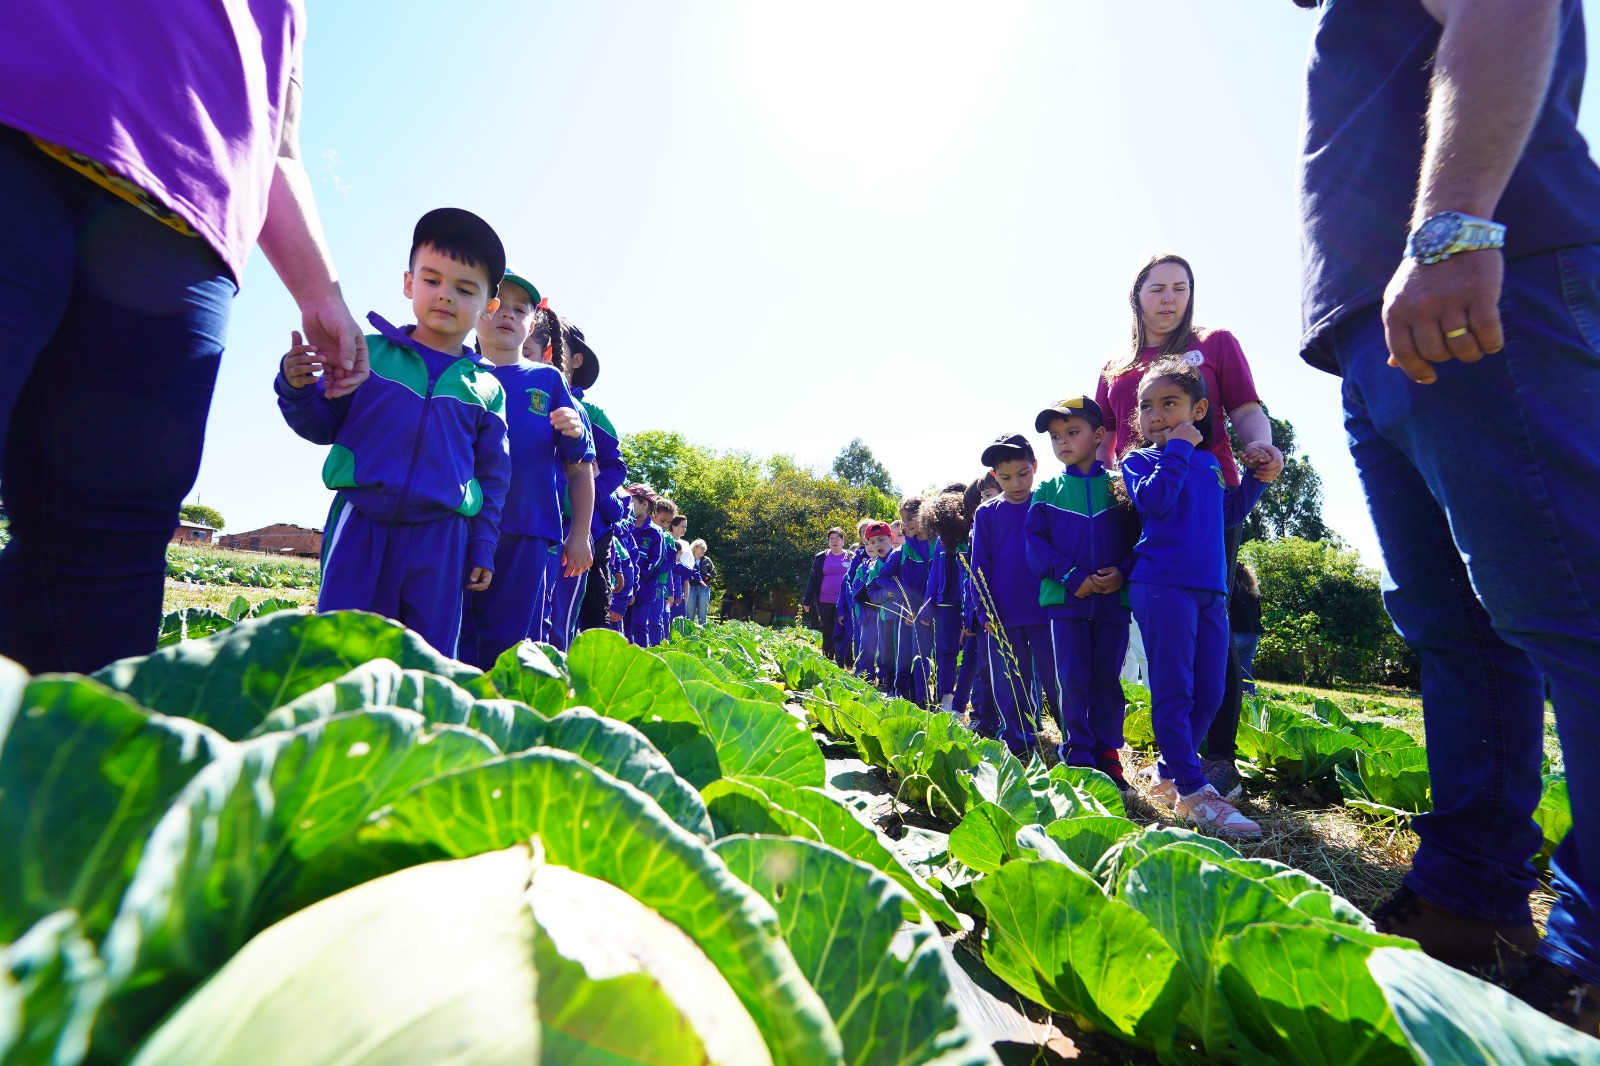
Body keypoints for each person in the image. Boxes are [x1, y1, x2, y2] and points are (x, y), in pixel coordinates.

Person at [1296, 0, 1600, 1022]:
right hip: (1377, 330)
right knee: (1455, 628)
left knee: (1573, 601)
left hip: (1475, 277)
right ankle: (1472, 892)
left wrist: (1451, 227)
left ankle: (1592, 951)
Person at [0, 3, 368, 673]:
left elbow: (277, 146)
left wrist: (322, 294)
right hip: (16, 131)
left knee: (107, 555)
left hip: (180, 230)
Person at [277, 208, 511, 658]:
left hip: (442, 540)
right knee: (338, 651)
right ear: (408, 284)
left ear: (488, 307)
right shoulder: (369, 353)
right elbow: (322, 425)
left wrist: (482, 545)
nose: (445, 295)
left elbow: (493, 478)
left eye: (465, 289)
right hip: (359, 523)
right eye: (432, 280)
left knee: (428, 661)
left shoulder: (487, 389)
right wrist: (297, 388)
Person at [1095, 253, 1284, 800]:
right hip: (1139, 499)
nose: (1169, 298)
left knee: (1210, 632)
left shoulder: (1216, 342)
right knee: (1147, 628)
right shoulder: (1115, 367)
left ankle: (1214, 758)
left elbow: (1247, 408)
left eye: (1180, 287)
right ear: (1137, 297)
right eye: (1157, 288)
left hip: (1208, 495)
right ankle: (1119, 747)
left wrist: (1259, 448)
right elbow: (1108, 439)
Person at [1121, 359, 1277, 837]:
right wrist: (1179, 451)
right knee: (1176, 689)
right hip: (1161, 585)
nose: (1157, 415)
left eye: (1170, 403)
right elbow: (1156, 502)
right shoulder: (1140, 461)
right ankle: (1192, 790)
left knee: (1210, 690)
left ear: (1200, 408)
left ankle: (1170, 772)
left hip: (1212, 590)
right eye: (1147, 406)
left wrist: (1257, 480)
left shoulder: (1209, 463)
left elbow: (1228, 514)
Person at [457, 270, 593, 669]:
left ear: (532, 324)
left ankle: (507, 724)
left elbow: (579, 465)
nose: (508, 314)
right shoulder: (458, 372)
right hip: (458, 525)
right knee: (453, 636)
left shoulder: (548, 380)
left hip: (526, 532)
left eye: (520, 309)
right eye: (498, 303)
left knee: (512, 648)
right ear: (477, 308)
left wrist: (580, 533)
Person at [1025, 396, 1140, 790]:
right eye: (1056, 436)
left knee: (1107, 679)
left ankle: (1108, 756)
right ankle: (1077, 754)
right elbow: (1036, 548)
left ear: (1099, 435)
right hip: (1066, 604)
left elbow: (1141, 542)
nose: (1062, 442)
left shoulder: (1124, 490)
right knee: (1071, 677)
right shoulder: (1045, 494)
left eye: (1072, 432)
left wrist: (1123, 574)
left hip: (1113, 603)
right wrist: (1074, 577)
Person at [969, 434, 1058, 757]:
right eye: (1005, 478)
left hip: (1047, 611)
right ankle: (1019, 742)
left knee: (1057, 680)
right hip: (1003, 615)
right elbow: (979, 566)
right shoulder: (987, 513)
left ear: (1035, 467)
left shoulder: (1047, 504)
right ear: (995, 476)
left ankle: (1075, 743)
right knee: (1010, 682)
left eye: (1023, 474)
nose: (1016, 483)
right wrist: (983, 611)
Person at [869, 498, 935, 703]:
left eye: (910, 519)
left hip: (929, 611)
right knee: (904, 654)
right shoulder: (901, 552)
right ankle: (902, 695)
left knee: (924, 654)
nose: (905, 525)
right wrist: (901, 594)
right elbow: (882, 578)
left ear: (924, 516)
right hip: (905, 611)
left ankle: (923, 697)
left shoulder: (937, 546)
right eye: (903, 520)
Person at [954, 475, 1000, 733]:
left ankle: (996, 719)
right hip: (980, 614)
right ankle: (984, 718)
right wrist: (971, 618)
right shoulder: (975, 531)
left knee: (999, 669)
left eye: (988, 496)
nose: (982, 506)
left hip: (1000, 609)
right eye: (979, 501)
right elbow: (971, 581)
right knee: (984, 668)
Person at [919, 492, 971, 713]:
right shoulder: (940, 542)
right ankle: (947, 698)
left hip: (970, 602)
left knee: (972, 654)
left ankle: (970, 703)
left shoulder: (970, 535)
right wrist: (927, 605)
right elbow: (934, 576)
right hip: (945, 603)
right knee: (946, 652)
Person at [800, 527, 851, 661]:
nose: (834, 541)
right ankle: (828, 657)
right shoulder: (821, 557)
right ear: (828, 541)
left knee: (844, 629)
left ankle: (845, 660)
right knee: (828, 629)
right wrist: (807, 600)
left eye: (837, 538)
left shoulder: (851, 556)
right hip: (825, 599)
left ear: (843, 540)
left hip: (845, 601)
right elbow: (813, 579)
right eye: (831, 539)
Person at [851, 522, 894, 682]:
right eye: (871, 542)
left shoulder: (896, 558)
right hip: (873, 613)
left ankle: (887, 678)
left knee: (890, 650)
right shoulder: (865, 566)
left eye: (880, 540)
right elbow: (863, 592)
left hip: (895, 615)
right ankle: (867, 674)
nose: (876, 545)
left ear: (891, 538)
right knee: (869, 645)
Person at [1229, 563, 1262, 695]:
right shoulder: (1254, 594)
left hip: (1236, 633)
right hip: (1252, 636)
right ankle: (1250, 705)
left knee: (1222, 669)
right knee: (1246, 675)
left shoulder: (1232, 590)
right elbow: (1259, 615)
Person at [685, 539, 714, 625]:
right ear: (695, 548)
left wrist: (708, 577)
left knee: (703, 612)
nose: (703, 550)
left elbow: (713, 572)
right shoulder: (689, 558)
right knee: (690, 613)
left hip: (703, 588)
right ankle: (689, 633)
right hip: (691, 587)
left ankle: (702, 634)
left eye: (704, 549)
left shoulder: (707, 560)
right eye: (702, 548)